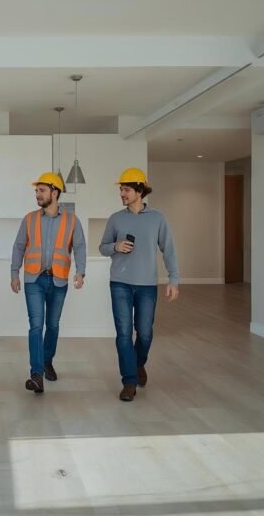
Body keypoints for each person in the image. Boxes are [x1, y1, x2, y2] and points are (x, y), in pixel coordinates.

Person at [99, 167, 179, 402]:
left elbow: (169, 250)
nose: (122, 193)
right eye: (121, 189)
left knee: (144, 333)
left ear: (139, 190)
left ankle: (138, 363)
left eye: (125, 189)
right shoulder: (116, 218)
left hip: (146, 285)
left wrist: (174, 279)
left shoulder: (157, 218)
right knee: (123, 334)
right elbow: (103, 247)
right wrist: (116, 246)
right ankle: (129, 381)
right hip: (120, 284)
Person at [10, 172, 86, 394]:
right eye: (36, 190)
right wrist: (14, 273)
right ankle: (36, 374)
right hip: (34, 278)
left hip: (59, 280)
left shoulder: (72, 220)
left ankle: (46, 361)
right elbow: (18, 246)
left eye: (41, 190)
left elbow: (80, 247)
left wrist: (81, 272)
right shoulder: (29, 218)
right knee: (36, 324)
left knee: (52, 325)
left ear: (55, 192)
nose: (37, 194)